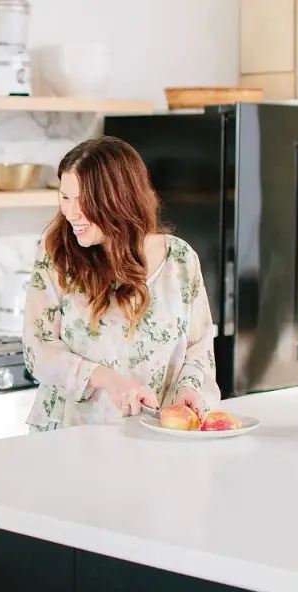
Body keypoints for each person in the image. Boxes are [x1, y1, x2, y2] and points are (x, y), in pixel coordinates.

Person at [22, 135, 220, 431]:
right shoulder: (57, 255)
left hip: (158, 436)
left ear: (119, 200)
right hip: (71, 439)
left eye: (84, 201)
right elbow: (37, 348)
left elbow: (198, 345)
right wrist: (108, 379)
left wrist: (190, 389)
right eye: (65, 197)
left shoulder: (180, 260)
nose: (71, 213)